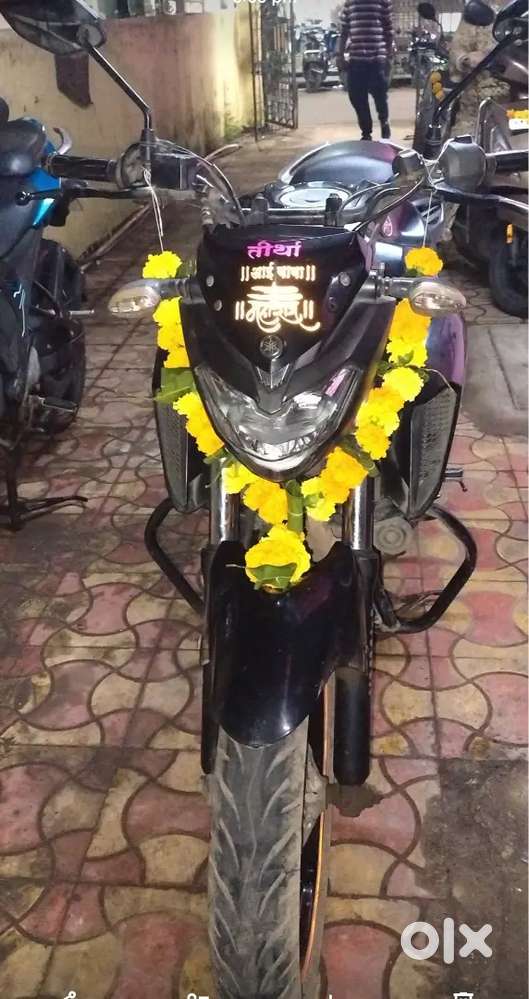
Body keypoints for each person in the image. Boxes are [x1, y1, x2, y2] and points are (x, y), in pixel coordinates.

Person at [337, 0, 394, 141]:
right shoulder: (350, 3)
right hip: (356, 59)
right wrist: (340, 55)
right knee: (356, 96)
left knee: (380, 95)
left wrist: (388, 56)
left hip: (377, 59)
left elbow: (388, 30)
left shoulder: (383, 2)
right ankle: (366, 132)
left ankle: (384, 122)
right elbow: (344, 31)